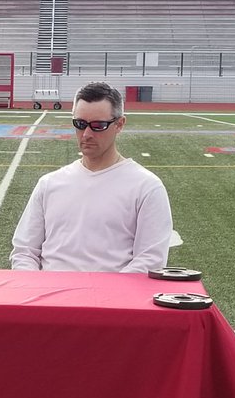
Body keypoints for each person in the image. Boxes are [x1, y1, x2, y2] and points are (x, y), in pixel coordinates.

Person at [10, 82, 172, 273]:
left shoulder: (146, 187)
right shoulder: (49, 184)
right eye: (80, 124)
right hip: (48, 298)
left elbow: (150, 260)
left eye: (98, 126)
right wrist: (37, 289)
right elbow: (24, 252)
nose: (86, 134)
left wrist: (98, 298)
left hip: (110, 301)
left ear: (119, 124)